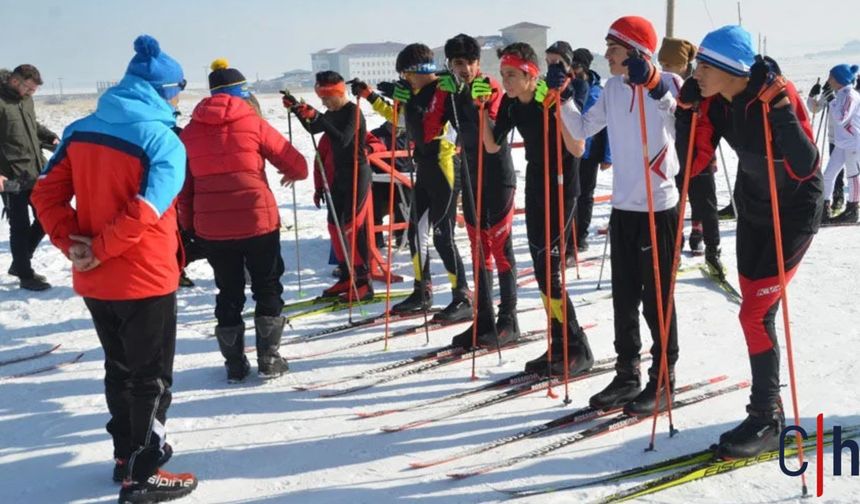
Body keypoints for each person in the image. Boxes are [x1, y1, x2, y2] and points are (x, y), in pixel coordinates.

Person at [30, 35, 198, 503]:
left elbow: (44, 194)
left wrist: (74, 246)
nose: (180, 99)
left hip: (97, 280)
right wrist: (99, 248)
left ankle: (126, 455)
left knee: (119, 369)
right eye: (178, 90)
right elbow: (148, 209)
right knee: (151, 377)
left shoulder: (82, 129)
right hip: (143, 275)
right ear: (163, 91)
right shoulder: (162, 139)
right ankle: (143, 473)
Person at [674, 25, 821, 457]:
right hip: (754, 210)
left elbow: (804, 165)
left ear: (730, 69)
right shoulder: (716, 102)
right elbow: (694, 164)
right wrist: (687, 115)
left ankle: (766, 419)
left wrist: (781, 111)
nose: (695, 72)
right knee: (756, 313)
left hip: (792, 213)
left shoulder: (777, 93)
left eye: (703, 65)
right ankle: (767, 409)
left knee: (755, 315)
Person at [557, 16, 681, 415]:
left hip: (657, 207)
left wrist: (655, 85)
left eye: (613, 48)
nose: (606, 54)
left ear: (635, 52)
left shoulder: (668, 83)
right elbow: (583, 129)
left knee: (656, 300)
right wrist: (562, 99)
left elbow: (681, 124)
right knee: (624, 298)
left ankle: (664, 378)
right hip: (624, 207)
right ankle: (628, 373)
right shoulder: (611, 87)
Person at [179, 58, 307, 382]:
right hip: (257, 220)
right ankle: (269, 357)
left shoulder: (190, 132)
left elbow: (184, 189)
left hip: (213, 228)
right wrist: (290, 173)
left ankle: (234, 364)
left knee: (228, 290)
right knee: (267, 285)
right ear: (242, 93)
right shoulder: (253, 123)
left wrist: (191, 227)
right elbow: (298, 164)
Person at [476, 41, 594, 377]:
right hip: (537, 184)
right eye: (503, 75)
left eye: (512, 75)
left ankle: (577, 346)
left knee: (550, 273)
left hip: (561, 185)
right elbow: (491, 143)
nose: (507, 82)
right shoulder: (513, 105)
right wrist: (484, 107)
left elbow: (578, 147)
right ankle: (558, 343)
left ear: (531, 74)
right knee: (543, 272)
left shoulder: (549, 95)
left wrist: (559, 106)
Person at [351, 43, 472, 323]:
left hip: (445, 168)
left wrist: (409, 99)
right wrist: (370, 95)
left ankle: (462, 296)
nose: (403, 79)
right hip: (425, 168)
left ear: (415, 72)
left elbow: (431, 124)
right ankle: (422, 291)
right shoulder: (415, 91)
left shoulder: (444, 88)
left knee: (443, 237)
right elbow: (402, 121)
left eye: (405, 74)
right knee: (417, 234)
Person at [429, 33, 520, 347]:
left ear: (479, 63)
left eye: (470, 62)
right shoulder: (452, 91)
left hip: (497, 177)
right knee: (478, 251)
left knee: (500, 251)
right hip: (470, 177)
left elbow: (492, 140)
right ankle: (483, 320)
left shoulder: (489, 87)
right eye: (458, 63)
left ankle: (509, 320)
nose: (465, 68)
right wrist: (437, 97)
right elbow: (429, 131)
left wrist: (473, 101)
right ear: (451, 65)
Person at [284, 70, 374, 301]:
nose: (323, 103)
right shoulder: (332, 112)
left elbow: (343, 138)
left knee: (351, 227)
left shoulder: (353, 111)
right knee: (334, 226)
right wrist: (298, 110)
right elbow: (314, 129)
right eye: (320, 99)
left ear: (338, 92)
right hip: (339, 176)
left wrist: (318, 117)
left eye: (326, 98)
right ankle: (346, 275)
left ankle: (364, 282)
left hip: (357, 173)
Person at [658, 37, 725, 276]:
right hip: (673, 156)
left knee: (704, 204)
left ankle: (708, 246)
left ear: (684, 64)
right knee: (674, 205)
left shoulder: (699, 84)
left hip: (699, 155)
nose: (666, 67)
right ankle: (673, 250)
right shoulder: (666, 83)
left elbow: (712, 124)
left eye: (671, 63)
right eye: (663, 62)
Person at [0, 64, 59, 291]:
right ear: (16, 81)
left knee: (46, 217)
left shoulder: (26, 100)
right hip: (11, 176)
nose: (32, 93)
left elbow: (31, 126)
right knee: (20, 226)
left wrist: (50, 137)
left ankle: (19, 262)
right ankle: (25, 275)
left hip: (35, 171)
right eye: (30, 89)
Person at [820, 64, 860, 224]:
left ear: (839, 79)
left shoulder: (850, 95)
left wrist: (830, 99)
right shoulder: (842, 94)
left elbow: (841, 117)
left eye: (831, 77)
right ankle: (824, 208)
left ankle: (853, 209)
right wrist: (831, 99)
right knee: (828, 175)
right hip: (842, 143)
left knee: (853, 176)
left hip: (853, 143)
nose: (828, 80)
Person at [807, 78, 843, 214]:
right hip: (834, 138)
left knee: (847, 171)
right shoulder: (829, 91)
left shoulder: (849, 92)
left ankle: (842, 199)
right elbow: (815, 108)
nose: (829, 80)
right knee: (834, 171)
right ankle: (835, 199)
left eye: (832, 77)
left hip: (850, 138)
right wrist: (811, 96)